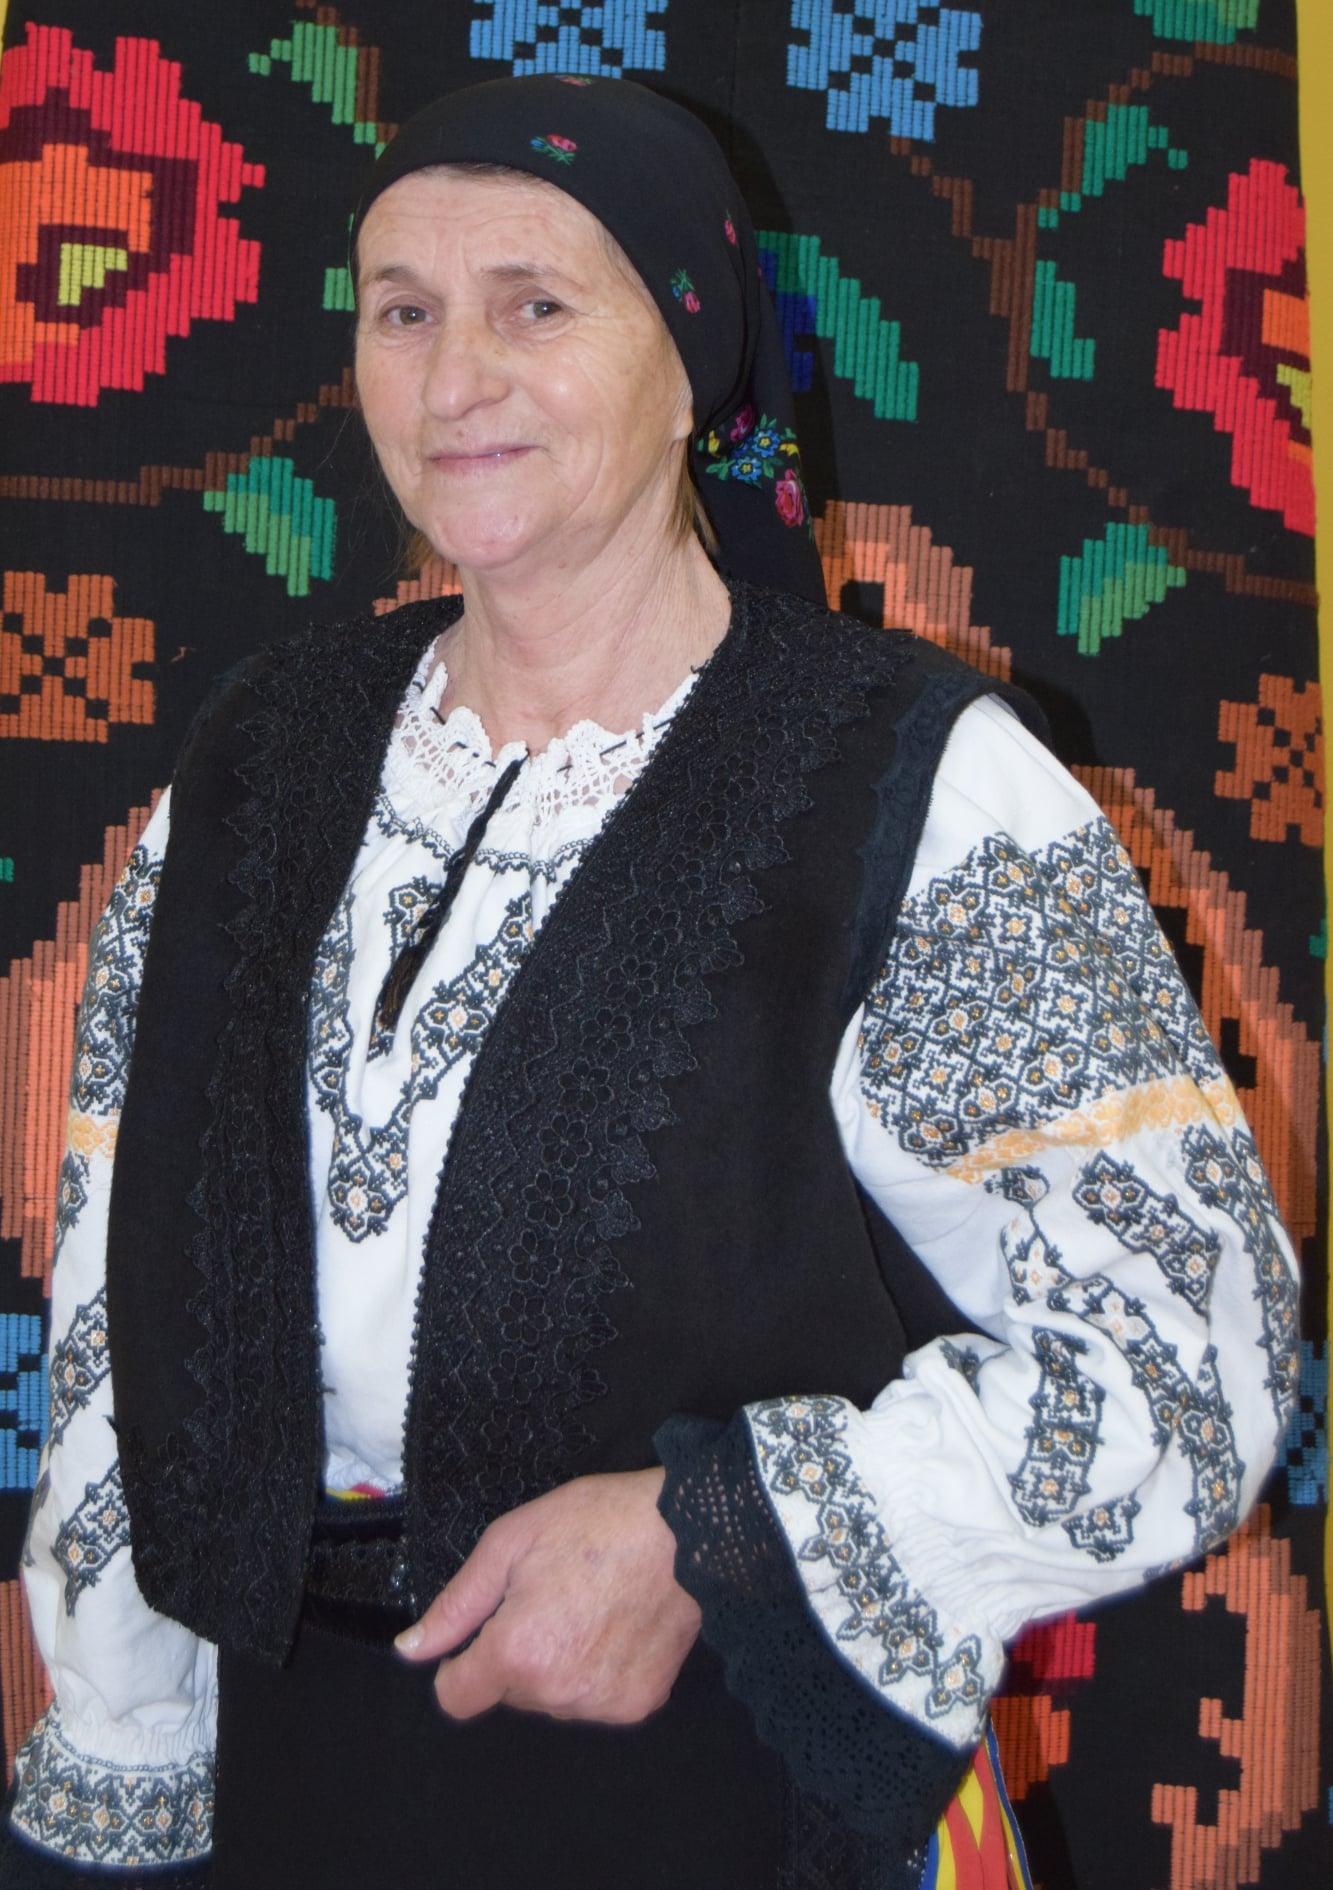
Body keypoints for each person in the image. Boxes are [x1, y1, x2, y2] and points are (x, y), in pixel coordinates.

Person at [1, 73, 1297, 1890]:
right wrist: (127, 1744)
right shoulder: (259, 761)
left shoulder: (914, 784)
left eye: (535, 304)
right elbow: (117, 1301)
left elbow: (1189, 1356)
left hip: (724, 1787)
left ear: (691, 365)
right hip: (300, 1784)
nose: (454, 380)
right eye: (402, 312)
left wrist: (716, 1534)